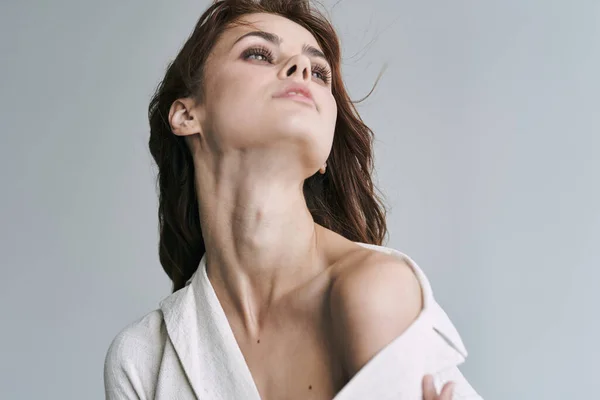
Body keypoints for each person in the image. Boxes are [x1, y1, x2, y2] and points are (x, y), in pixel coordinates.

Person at [104, 1, 483, 399]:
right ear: (186, 114)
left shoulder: (372, 291)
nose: (301, 69)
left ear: (325, 151)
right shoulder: (144, 357)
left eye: (319, 72)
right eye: (259, 53)